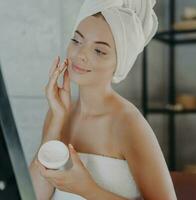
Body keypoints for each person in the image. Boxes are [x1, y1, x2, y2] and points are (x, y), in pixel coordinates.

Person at [29, 0, 177, 200]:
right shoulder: (59, 113)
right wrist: (57, 120)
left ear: (119, 63)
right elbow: (32, 195)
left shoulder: (128, 122)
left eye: (99, 51)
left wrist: (87, 189)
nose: (80, 54)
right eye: (76, 40)